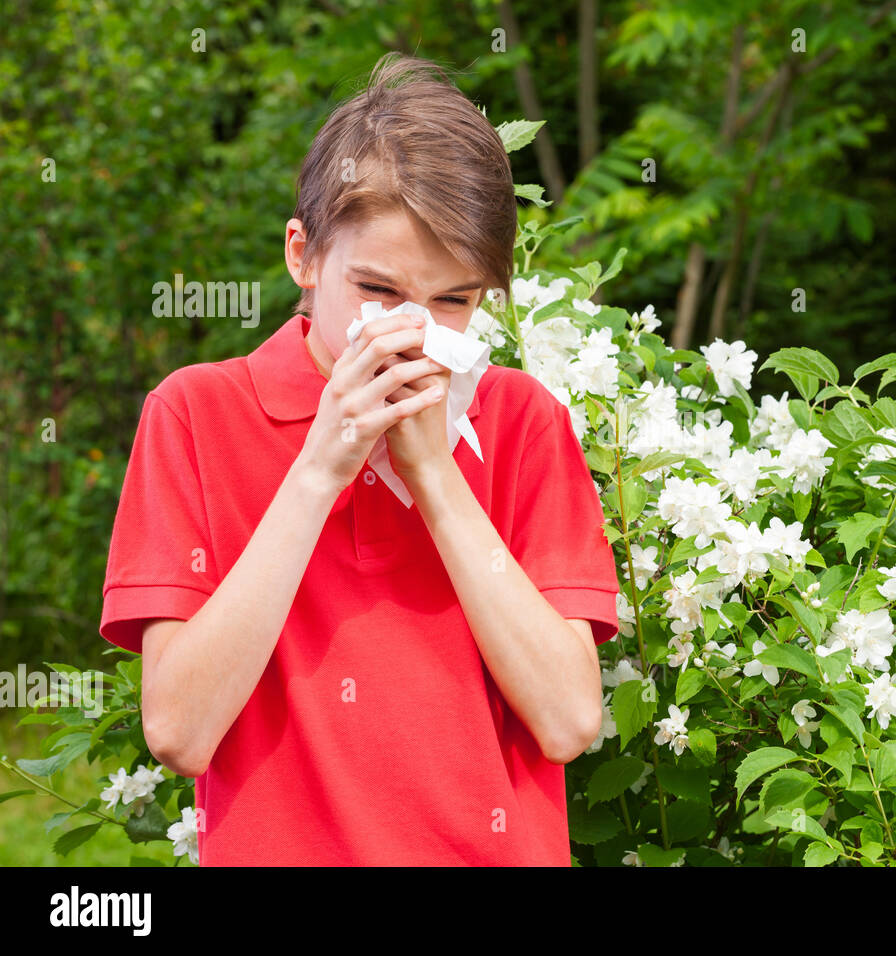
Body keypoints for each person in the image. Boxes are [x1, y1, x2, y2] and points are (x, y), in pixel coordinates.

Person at [99, 53, 621, 866]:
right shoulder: (196, 415)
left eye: (455, 299)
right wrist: (319, 469)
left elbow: (568, 719)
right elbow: (179, 729)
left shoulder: (523, 424)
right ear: (302, 257)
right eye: (378, 290)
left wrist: (435, 478)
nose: (415, 330)